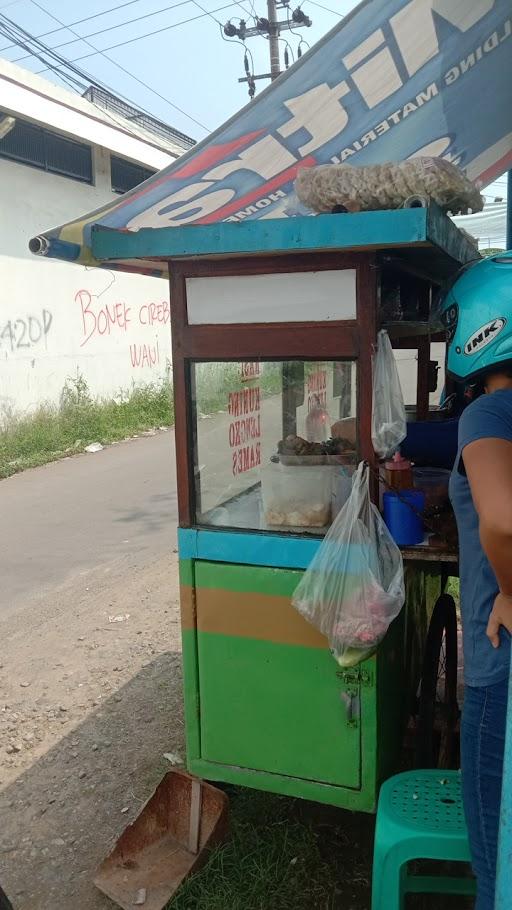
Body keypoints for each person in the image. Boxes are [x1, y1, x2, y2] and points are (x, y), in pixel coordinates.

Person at [439, 251, 512, 910]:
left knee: (495, 854)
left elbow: (503, 519)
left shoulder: (489, 414)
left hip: (499, 669)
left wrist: (511, 588)